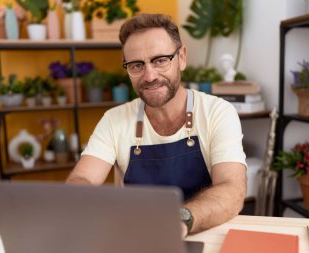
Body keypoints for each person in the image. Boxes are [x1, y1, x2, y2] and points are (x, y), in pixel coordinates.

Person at [67, 13, 247, 237]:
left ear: (181, 57)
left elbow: (232, 189)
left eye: (160, 60)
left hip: (207, 236)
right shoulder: (114, 120)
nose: (149, 75)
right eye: (136, 65)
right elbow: (80, 180)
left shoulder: (217, 112)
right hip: (141, 237)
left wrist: (180, 220)